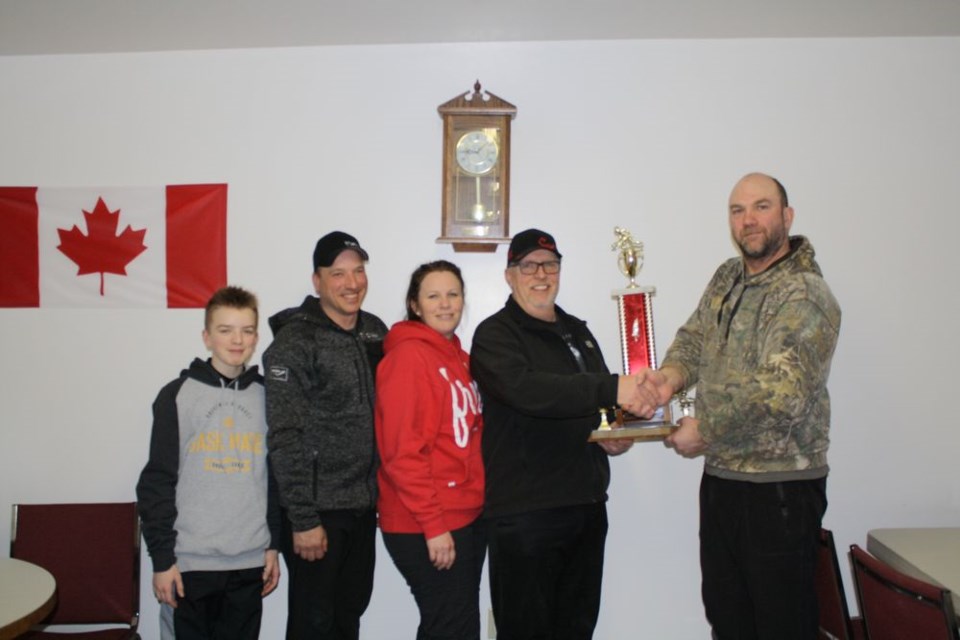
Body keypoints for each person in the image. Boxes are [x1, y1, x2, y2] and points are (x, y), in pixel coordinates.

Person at [651, 173, 841, 639]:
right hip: (723, 482)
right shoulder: (727, 276)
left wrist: (706, 429)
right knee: (728, 618)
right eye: (738, 211)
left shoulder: (805, 293)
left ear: (786, 216)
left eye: (761, 207)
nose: (749, 220)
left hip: (778, 490)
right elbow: (694, 339)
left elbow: (781, 393)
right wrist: (666, 380)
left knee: (781, 625)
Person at [470, 228, 660, 640]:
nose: (541, 274)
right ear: (509, 275)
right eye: (529, 266)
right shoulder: (494, 335)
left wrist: (615, 431)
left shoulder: (579, 331)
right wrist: (612, 387)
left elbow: (597, 406)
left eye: (550, 264)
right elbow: (532, 391)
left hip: (586, 510)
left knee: (576, 631)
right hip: (526, 518)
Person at [137, 285, 281, 640]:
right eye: (225, 330)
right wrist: (162, 560)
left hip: (248, 562)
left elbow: (275, 479)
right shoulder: (177, 396)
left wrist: (273, 545)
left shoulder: (269, 397)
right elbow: (156, 482)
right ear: (206, 336)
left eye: (247, 331)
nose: (237, 340)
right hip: (189, 566)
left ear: (256, 337)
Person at [263, 231, 387, 640]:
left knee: (348, 616)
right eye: (338, 273)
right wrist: (302, 519)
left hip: (362, 507)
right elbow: (283, 435)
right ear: (317, 281)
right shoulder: (294, 342)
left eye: (358, 271)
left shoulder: (374, 332)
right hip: (317, 515)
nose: (352, 283)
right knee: (312, 625)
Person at [375, 260, 486, 640]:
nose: (445, 304)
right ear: (415, 305)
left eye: (453, 294)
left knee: (458, 626)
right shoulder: (407, 358)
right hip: (424, 521)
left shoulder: (459, 358)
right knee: (449, 627)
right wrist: (433, 525)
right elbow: (401, 454)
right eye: (433, 296)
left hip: (463, 516)